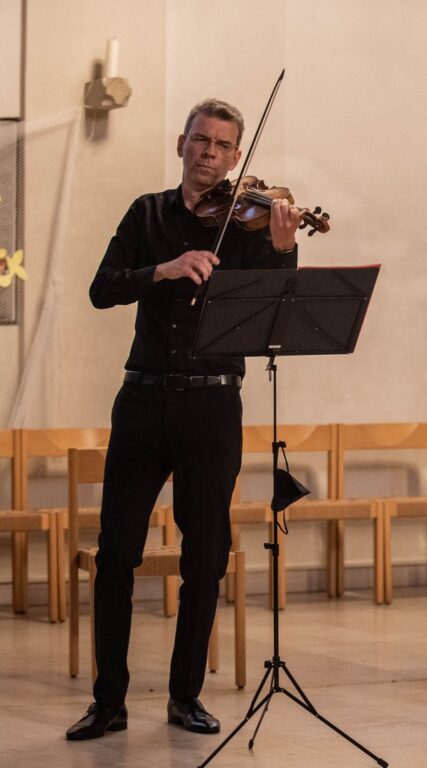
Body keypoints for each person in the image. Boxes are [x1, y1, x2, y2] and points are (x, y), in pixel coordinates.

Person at [66, 99, 302, 740]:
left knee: (206, 555)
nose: (209, 153)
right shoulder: (146, 213)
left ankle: (184, 696)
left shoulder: (250, 226)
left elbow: (273, 316)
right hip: (142, 400)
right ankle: (108, 702)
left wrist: (282, 251)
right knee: (117, 553)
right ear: (181, 143)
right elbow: (102, 288)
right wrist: (163, 269)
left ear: (235, 157)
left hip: (213, 403)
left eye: (223, 146)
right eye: (201, 140)